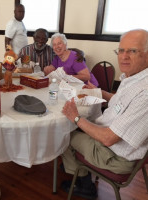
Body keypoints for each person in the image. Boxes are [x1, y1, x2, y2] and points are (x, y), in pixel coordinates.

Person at [60, 29, 148, 199]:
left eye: (133, 51)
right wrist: (100, 93)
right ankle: (75, 164)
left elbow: (108, 138)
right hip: (114, 141)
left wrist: (76, 118)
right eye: (121, 50)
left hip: (116, 156)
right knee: (79, 125)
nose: (124, 56)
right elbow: (123, 101)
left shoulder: (145, 93)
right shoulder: (135, 78)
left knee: (65, 135)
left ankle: (85, 184)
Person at [18, 28, 85, 71]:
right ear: (33, 38)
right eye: (38, 38)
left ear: (47, 40)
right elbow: (17, 67)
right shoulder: (24, 51)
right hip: (28, 80)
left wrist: (80, 52)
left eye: (44, 39)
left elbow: (63, 50)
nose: (40, 41)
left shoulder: (52, 50)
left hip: (47, 81)